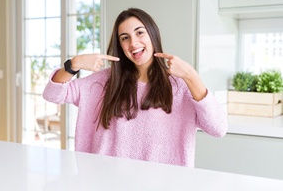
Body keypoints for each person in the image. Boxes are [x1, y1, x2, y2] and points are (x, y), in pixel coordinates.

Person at [43, 8, 228, 167]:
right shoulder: (104, 82)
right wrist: (74, 64)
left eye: (140, 33)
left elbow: (218, 128)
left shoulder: (180, 85)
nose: (133, 43)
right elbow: (52, 94)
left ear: (152, 35)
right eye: (125, 38)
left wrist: (191, 75)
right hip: (106, 183)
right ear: (120, 45)